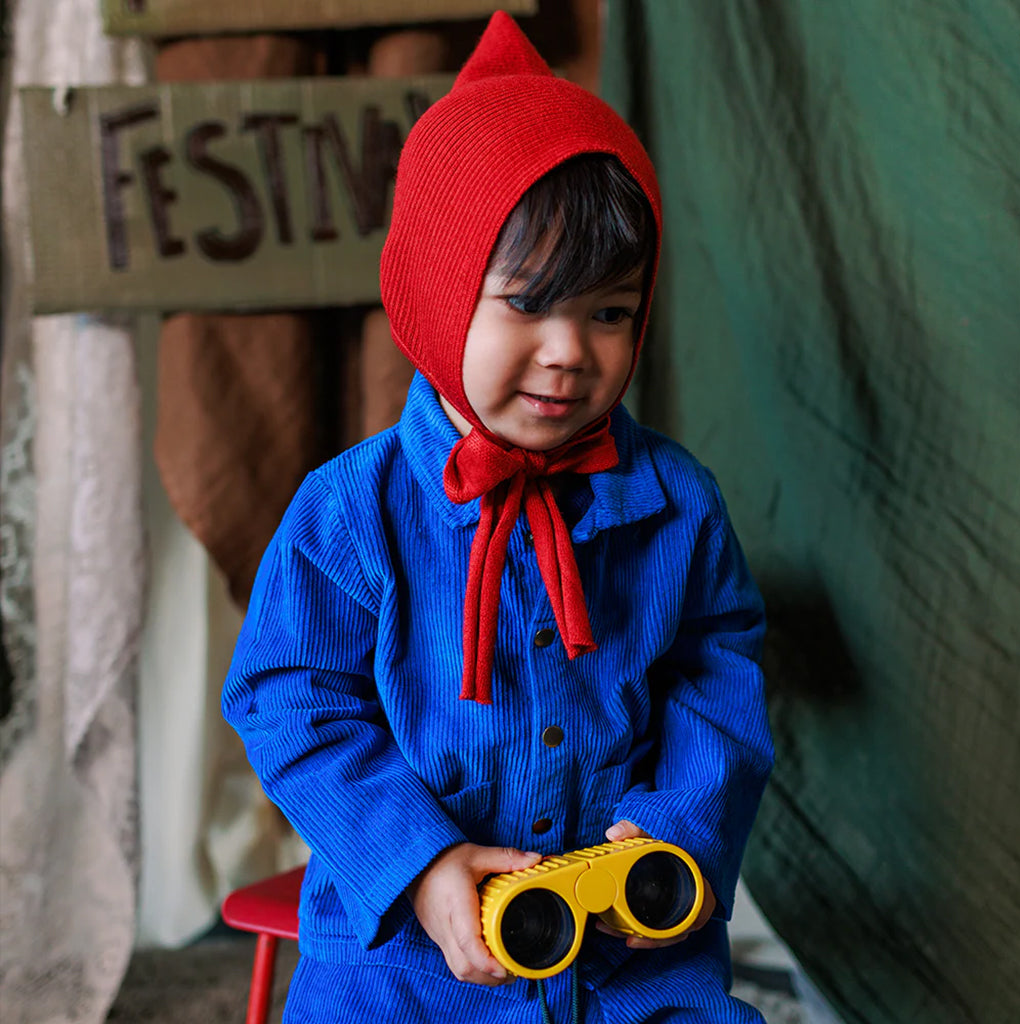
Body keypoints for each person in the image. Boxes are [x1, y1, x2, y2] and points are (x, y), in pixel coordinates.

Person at [223, 12, 774, 1023]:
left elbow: (716, 678)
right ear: (439, 300)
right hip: (402, 953)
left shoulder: (677, 505)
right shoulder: (351, 511)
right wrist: (418, 861)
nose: (570, 349)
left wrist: (672, 835)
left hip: (622, 946)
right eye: (526, 303)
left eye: (609, 312)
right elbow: (288, 697)